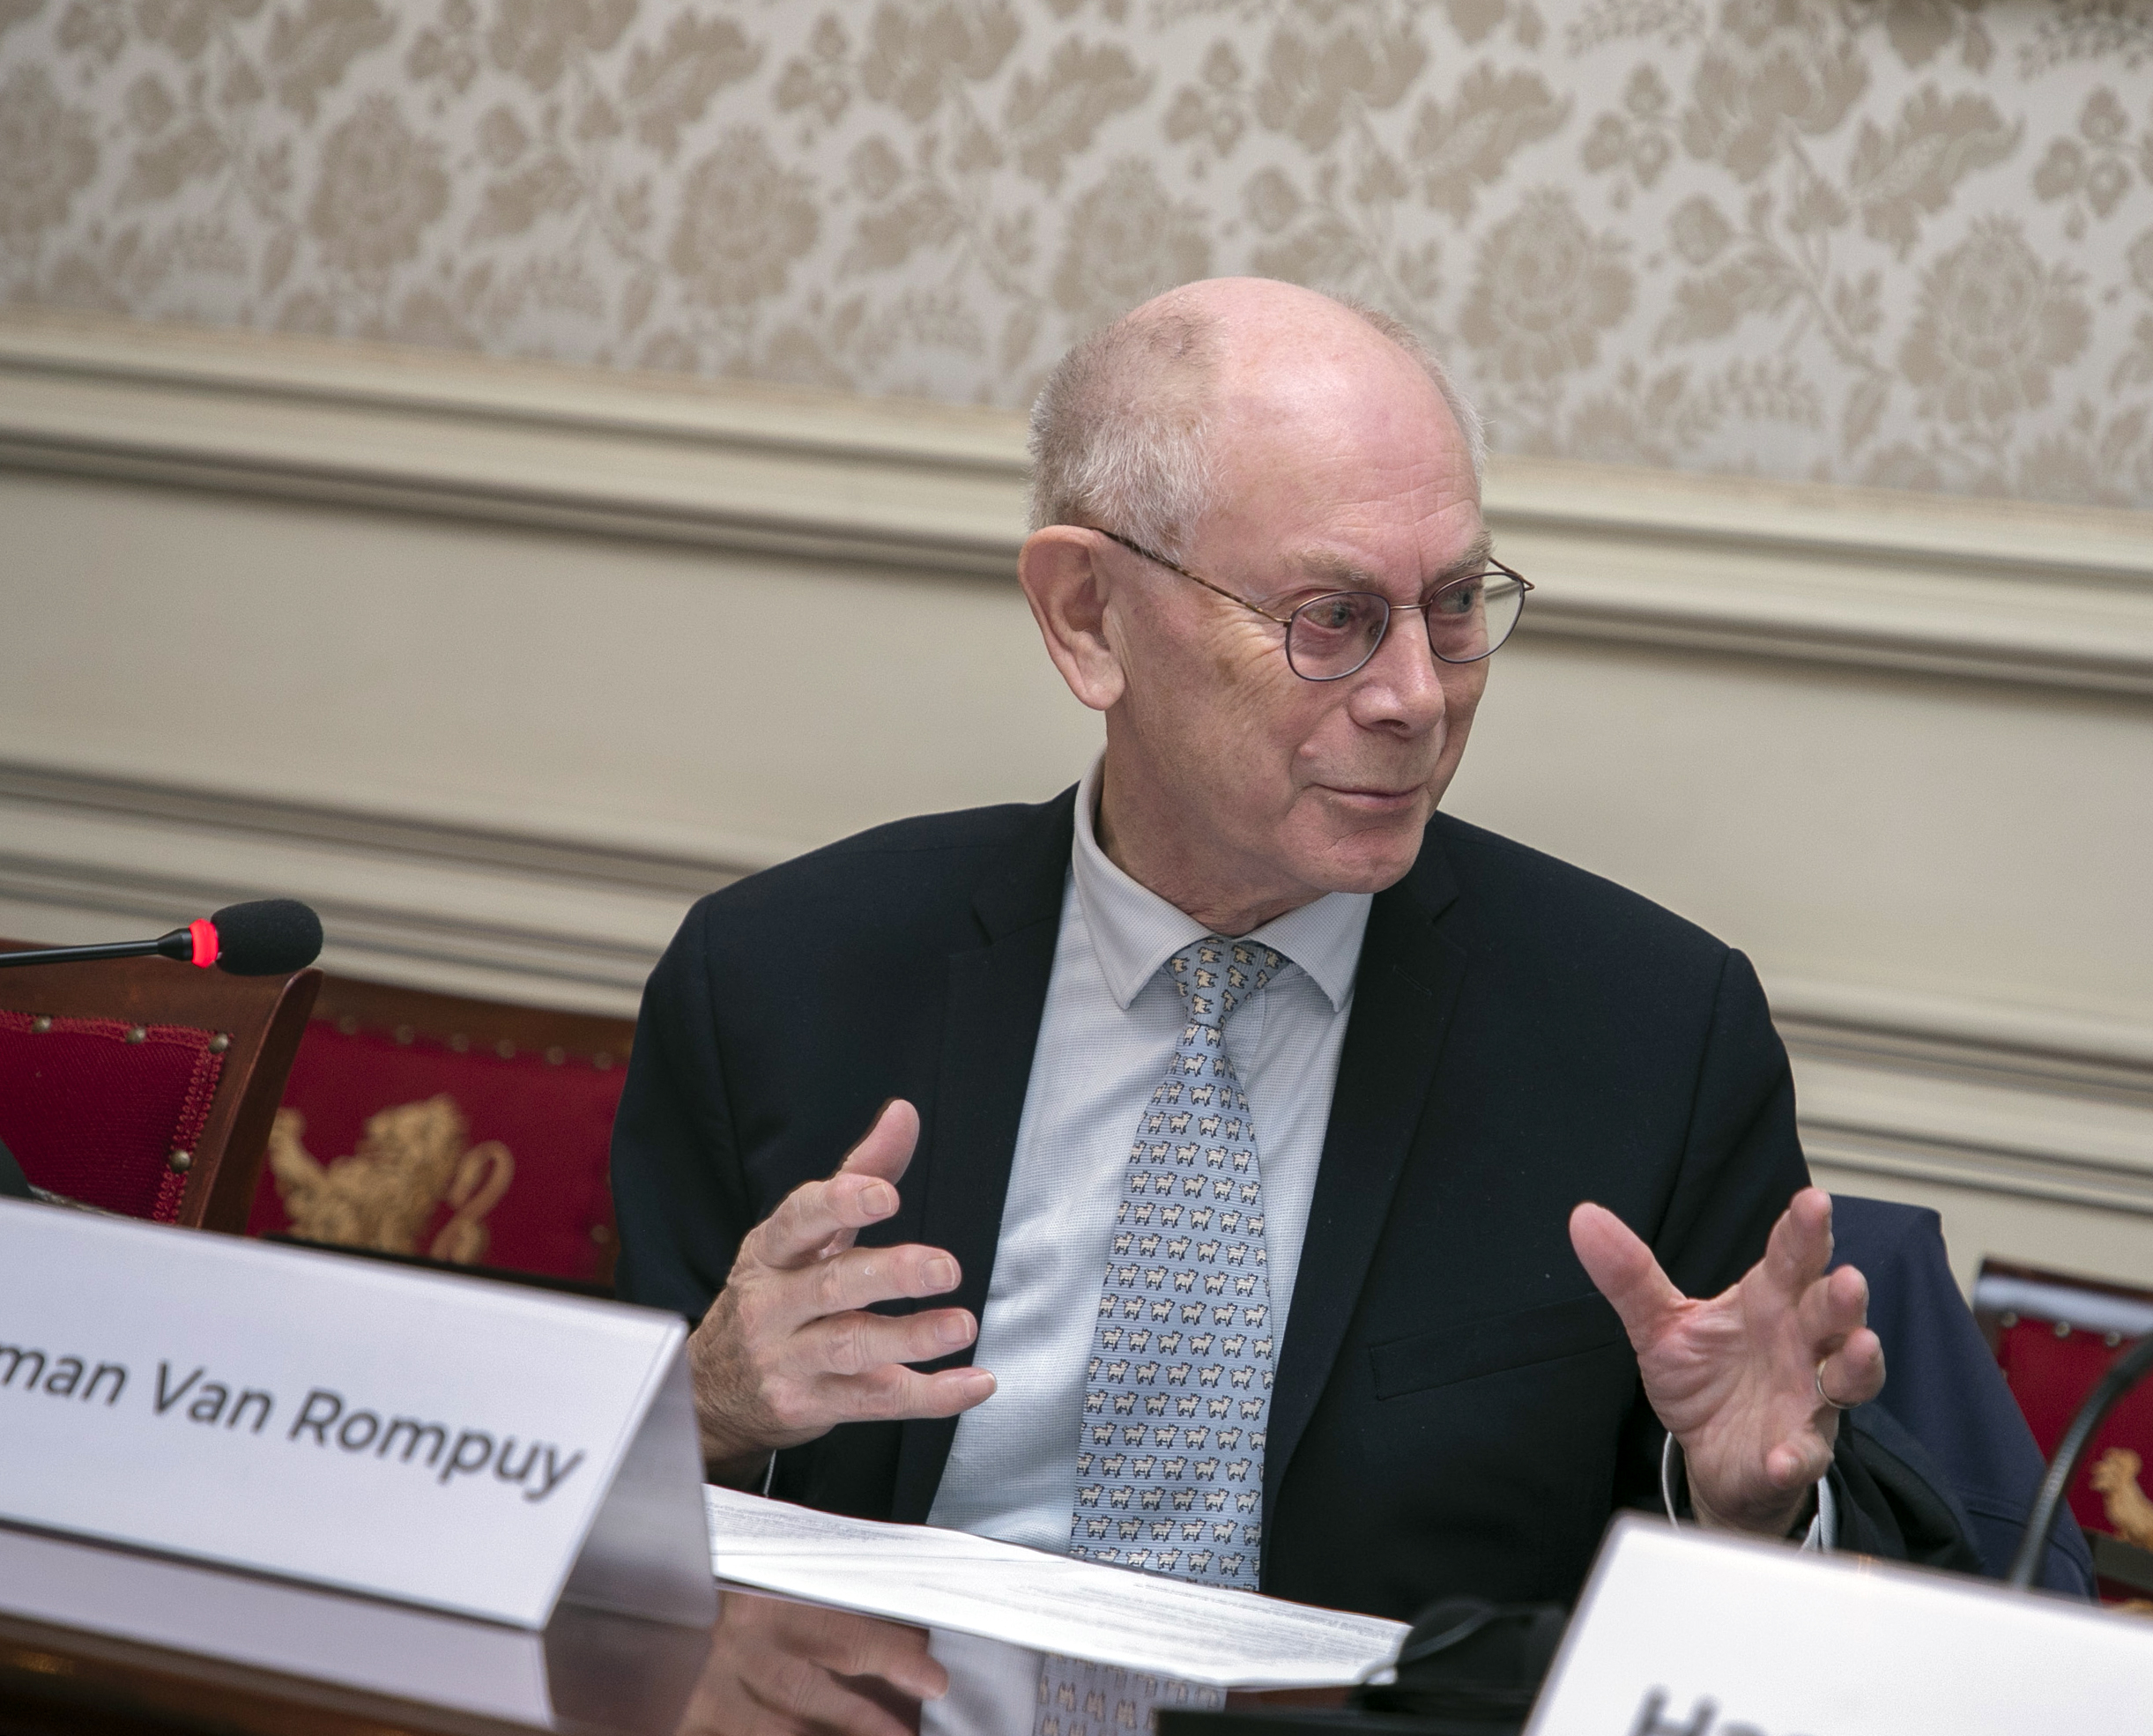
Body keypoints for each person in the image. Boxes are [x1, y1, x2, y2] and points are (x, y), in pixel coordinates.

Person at [612, 279, 1961, 1629]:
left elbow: (1782, 1566)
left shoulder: (1654, 1032)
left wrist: (1746, 1506)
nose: (1416, 698)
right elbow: (587, 1541)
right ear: (1089, 615)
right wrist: (709, 1408)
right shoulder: (779, 980)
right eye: (1331, 616)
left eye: (1451, 604)